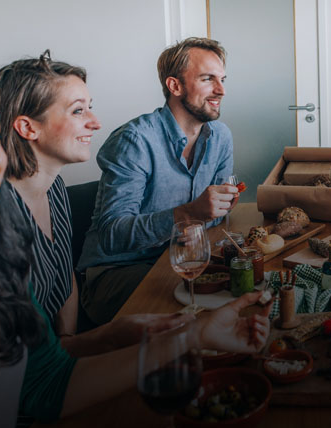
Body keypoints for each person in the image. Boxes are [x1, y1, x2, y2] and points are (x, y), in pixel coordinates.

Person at [0, 65, 270, 428]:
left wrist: (114, 335)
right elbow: (37, 391)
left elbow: (44, 374)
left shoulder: (3, 230)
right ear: (27, 128)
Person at [0, 53, 189, 358]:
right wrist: (101, 340)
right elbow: (22, 366)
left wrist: (69, 337)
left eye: (89, 108)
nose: (95, 123)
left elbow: (64, 273)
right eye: (78, 111)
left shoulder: (54, 187)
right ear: (28, 128)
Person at [78, 37, 239, 325]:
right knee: (200, 313)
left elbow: (212, 217)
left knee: (244, 283)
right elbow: (112, 235)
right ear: (174, 86)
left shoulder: (220, 137)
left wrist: (217, 208)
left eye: (222, 79)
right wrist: (191, 213)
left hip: (178, 262)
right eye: (208, 79)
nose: (221, 90)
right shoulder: (134, 141)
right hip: (119, 271)